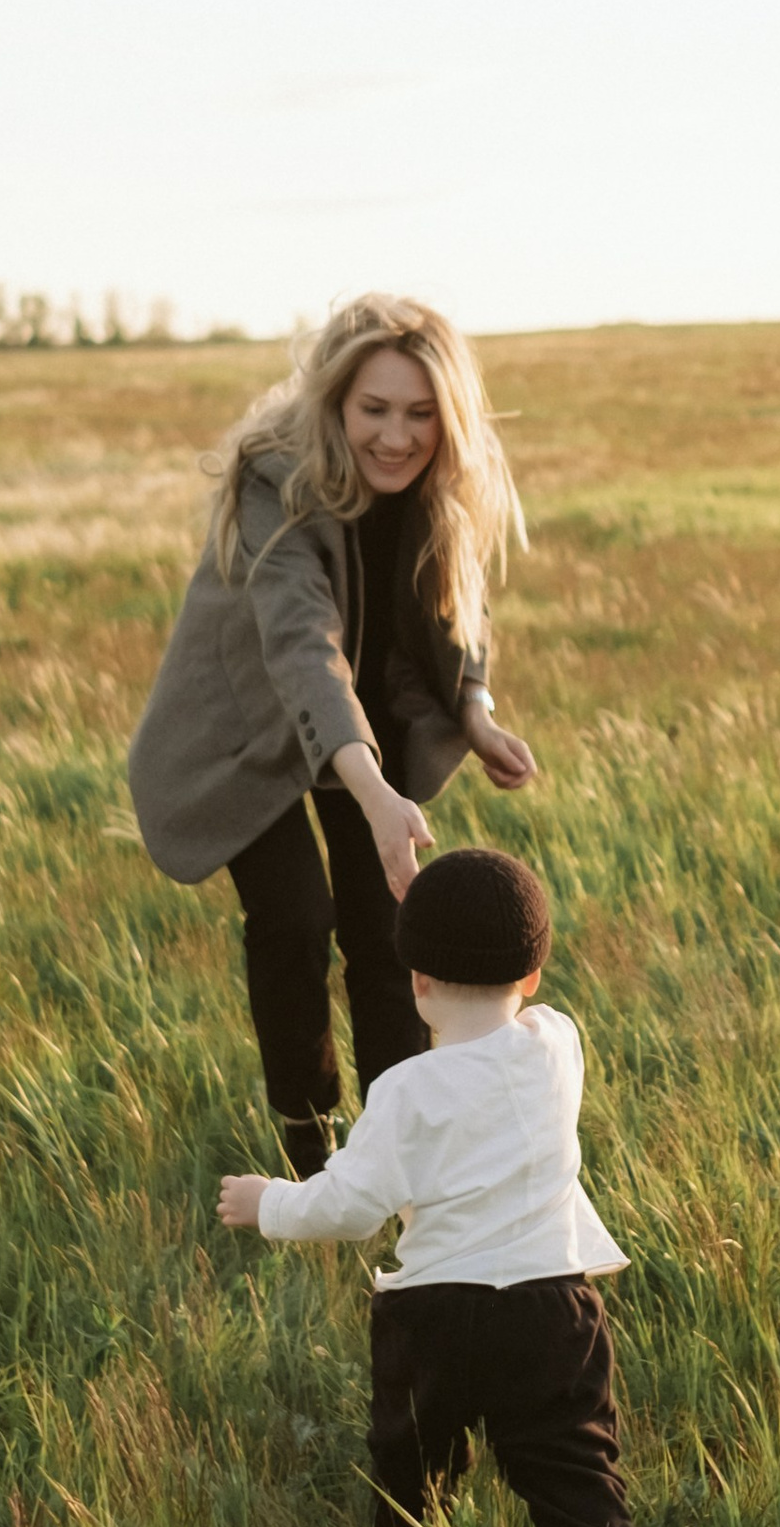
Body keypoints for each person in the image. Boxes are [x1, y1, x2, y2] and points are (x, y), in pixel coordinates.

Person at [126, 293, 538, 1174]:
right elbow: (303, 646)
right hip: (249, 733)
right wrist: (377, 794)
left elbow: (460, 605)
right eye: (374, 411)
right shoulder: (276, 479)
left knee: (390, 933)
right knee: (295, 919)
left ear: (449, 417)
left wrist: (477, 711)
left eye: (421, 413)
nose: (397, 436)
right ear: (335, 404)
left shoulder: (439, 483)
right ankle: (309, 1150)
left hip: (368, 719)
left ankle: (396, 1150)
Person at [217, 847, 640, 1527]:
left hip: (437, 1312)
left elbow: (348, 1206)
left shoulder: (404, 1092)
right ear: (535, 977)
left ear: (415, 983)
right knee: (573, 1464)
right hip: (553, 1307)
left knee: (412, 1445)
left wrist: (267, 1201)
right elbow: (505, 978)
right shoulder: (558, 1044)